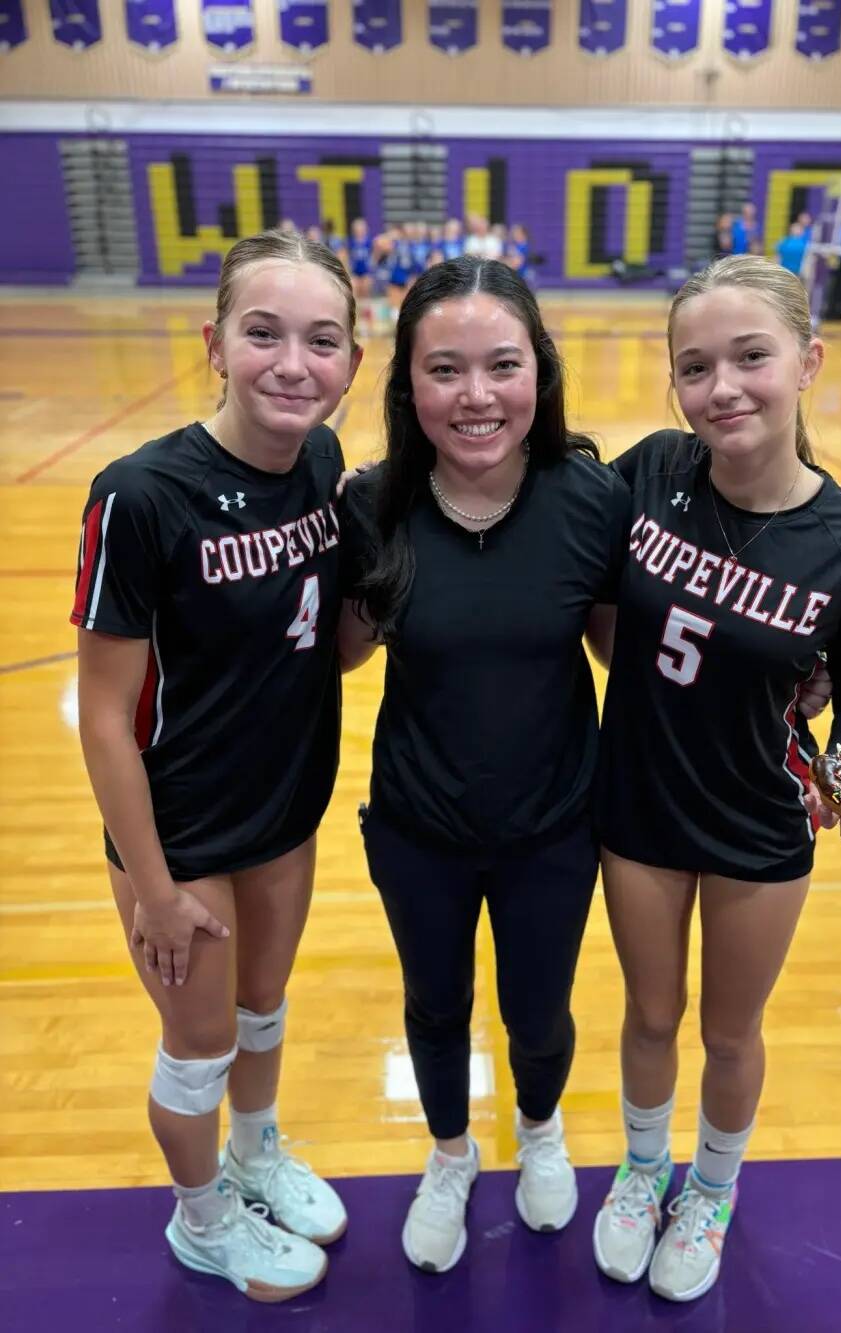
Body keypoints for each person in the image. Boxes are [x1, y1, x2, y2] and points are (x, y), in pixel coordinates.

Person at [590, 255, 841, 1303]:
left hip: (758, 823)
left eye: (749, 357)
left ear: (807, 361)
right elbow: (580, 590)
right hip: (635, 804)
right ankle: (642, 1173)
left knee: (730, 1031)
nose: (720, 385)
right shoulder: (646, 473)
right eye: (694, 365)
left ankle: (711, 1191)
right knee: (647, 1014)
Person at [72, 229, 363, 1302]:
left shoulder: (324, 465)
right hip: (179, 826)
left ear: (352, 362)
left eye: (321, 340)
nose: (293, 363)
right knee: (196, 1042)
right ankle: (201, 1222)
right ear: (214, 343)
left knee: (261, 1009)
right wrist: (149, 883)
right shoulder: (141, 494)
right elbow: (104, 716)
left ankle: (255, 1152)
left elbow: (328, 640)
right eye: (264, 333)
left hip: (283, 807)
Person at [336, 256, 633, 1275]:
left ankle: (541, 1129)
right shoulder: (370, 504)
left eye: (501, 365)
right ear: (407, 384)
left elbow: (616, 652)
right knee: (434, 1004)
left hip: (554, 824)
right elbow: (335, 651)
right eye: (444, 369)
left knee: (538, 1008)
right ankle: (451, 1153)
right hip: (418, 827)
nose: (475, 396)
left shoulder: (589, 497)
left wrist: (787, 681)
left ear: (539, 374)